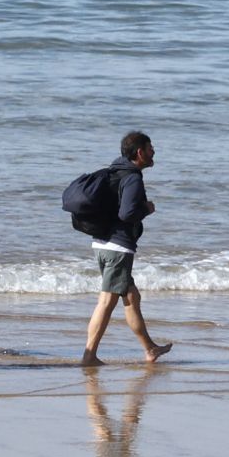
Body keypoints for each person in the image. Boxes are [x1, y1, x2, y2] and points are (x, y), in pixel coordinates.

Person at [81, 131, 172, 367]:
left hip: (101, 243)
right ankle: (89, 355)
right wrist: (147, 209)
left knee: (132, 295)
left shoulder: (114, 172)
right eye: (151, 148)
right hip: (118, 248)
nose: (154, 152)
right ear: (140, 152)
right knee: (106, 302)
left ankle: (150, 349)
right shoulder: (132, 178)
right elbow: (127, 213)